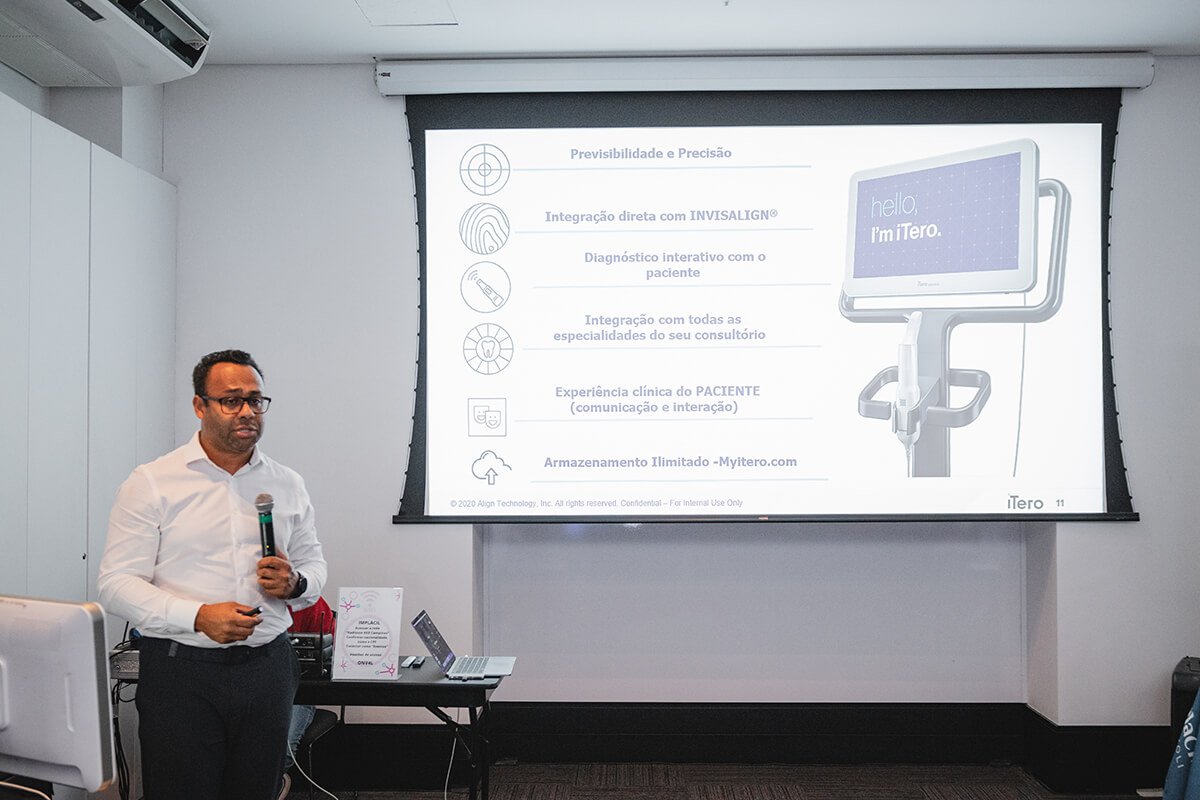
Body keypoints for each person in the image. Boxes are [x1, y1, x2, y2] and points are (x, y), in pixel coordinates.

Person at [98, 349, 328, 800]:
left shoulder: (287, 483)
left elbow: (315, 564)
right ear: (199, 406)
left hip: (268, 667)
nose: (247, 411)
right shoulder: (152, 482)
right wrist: (198, 616)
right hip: (182, 671)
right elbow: (115, 584)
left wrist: (296, 584)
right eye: (231, 400)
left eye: (256, 400)